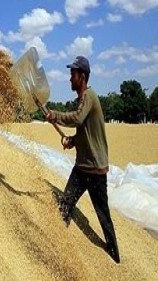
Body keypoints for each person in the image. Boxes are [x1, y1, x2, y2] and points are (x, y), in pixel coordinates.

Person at [45, 56, 120, 264]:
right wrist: (73, 141)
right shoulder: (82, 99)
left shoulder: (89, 96)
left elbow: (77, 118)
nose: (70, 79)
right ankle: (59, 249)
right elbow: (84, 130)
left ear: (83, 77)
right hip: (81, 168)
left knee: (103, 215)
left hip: (95, 169)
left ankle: (115, 258)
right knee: (65, 206)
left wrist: (55, 115)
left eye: (73, 75)